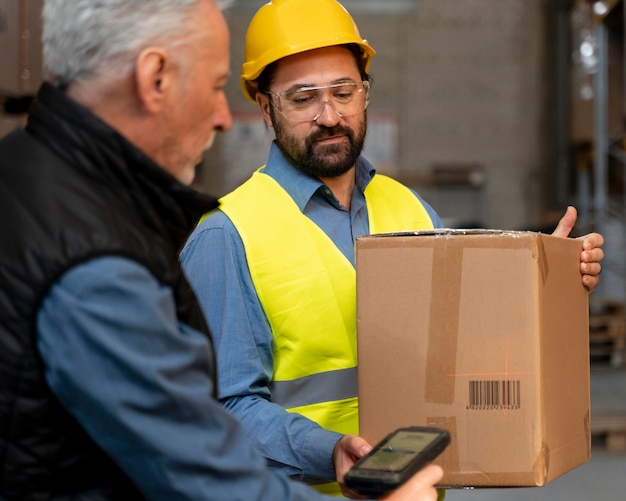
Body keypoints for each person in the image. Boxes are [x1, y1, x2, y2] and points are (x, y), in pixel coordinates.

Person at [0, 0, 445, 499]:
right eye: (214, 86)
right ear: (155, 78)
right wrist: (326, 450)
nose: (221, 118)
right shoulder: (105, 251)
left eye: (344, 92)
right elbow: (199, 465)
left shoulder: (31, 183)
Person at [180, 0, 605, 497]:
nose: (329, 116)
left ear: (365, 94)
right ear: (265, 109)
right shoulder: (226, 235)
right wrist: (330, 449)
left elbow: (457, 346)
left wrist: (539, 284)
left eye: (344, 92)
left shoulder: (410, 209)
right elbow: (220, 409)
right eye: (302, 99)